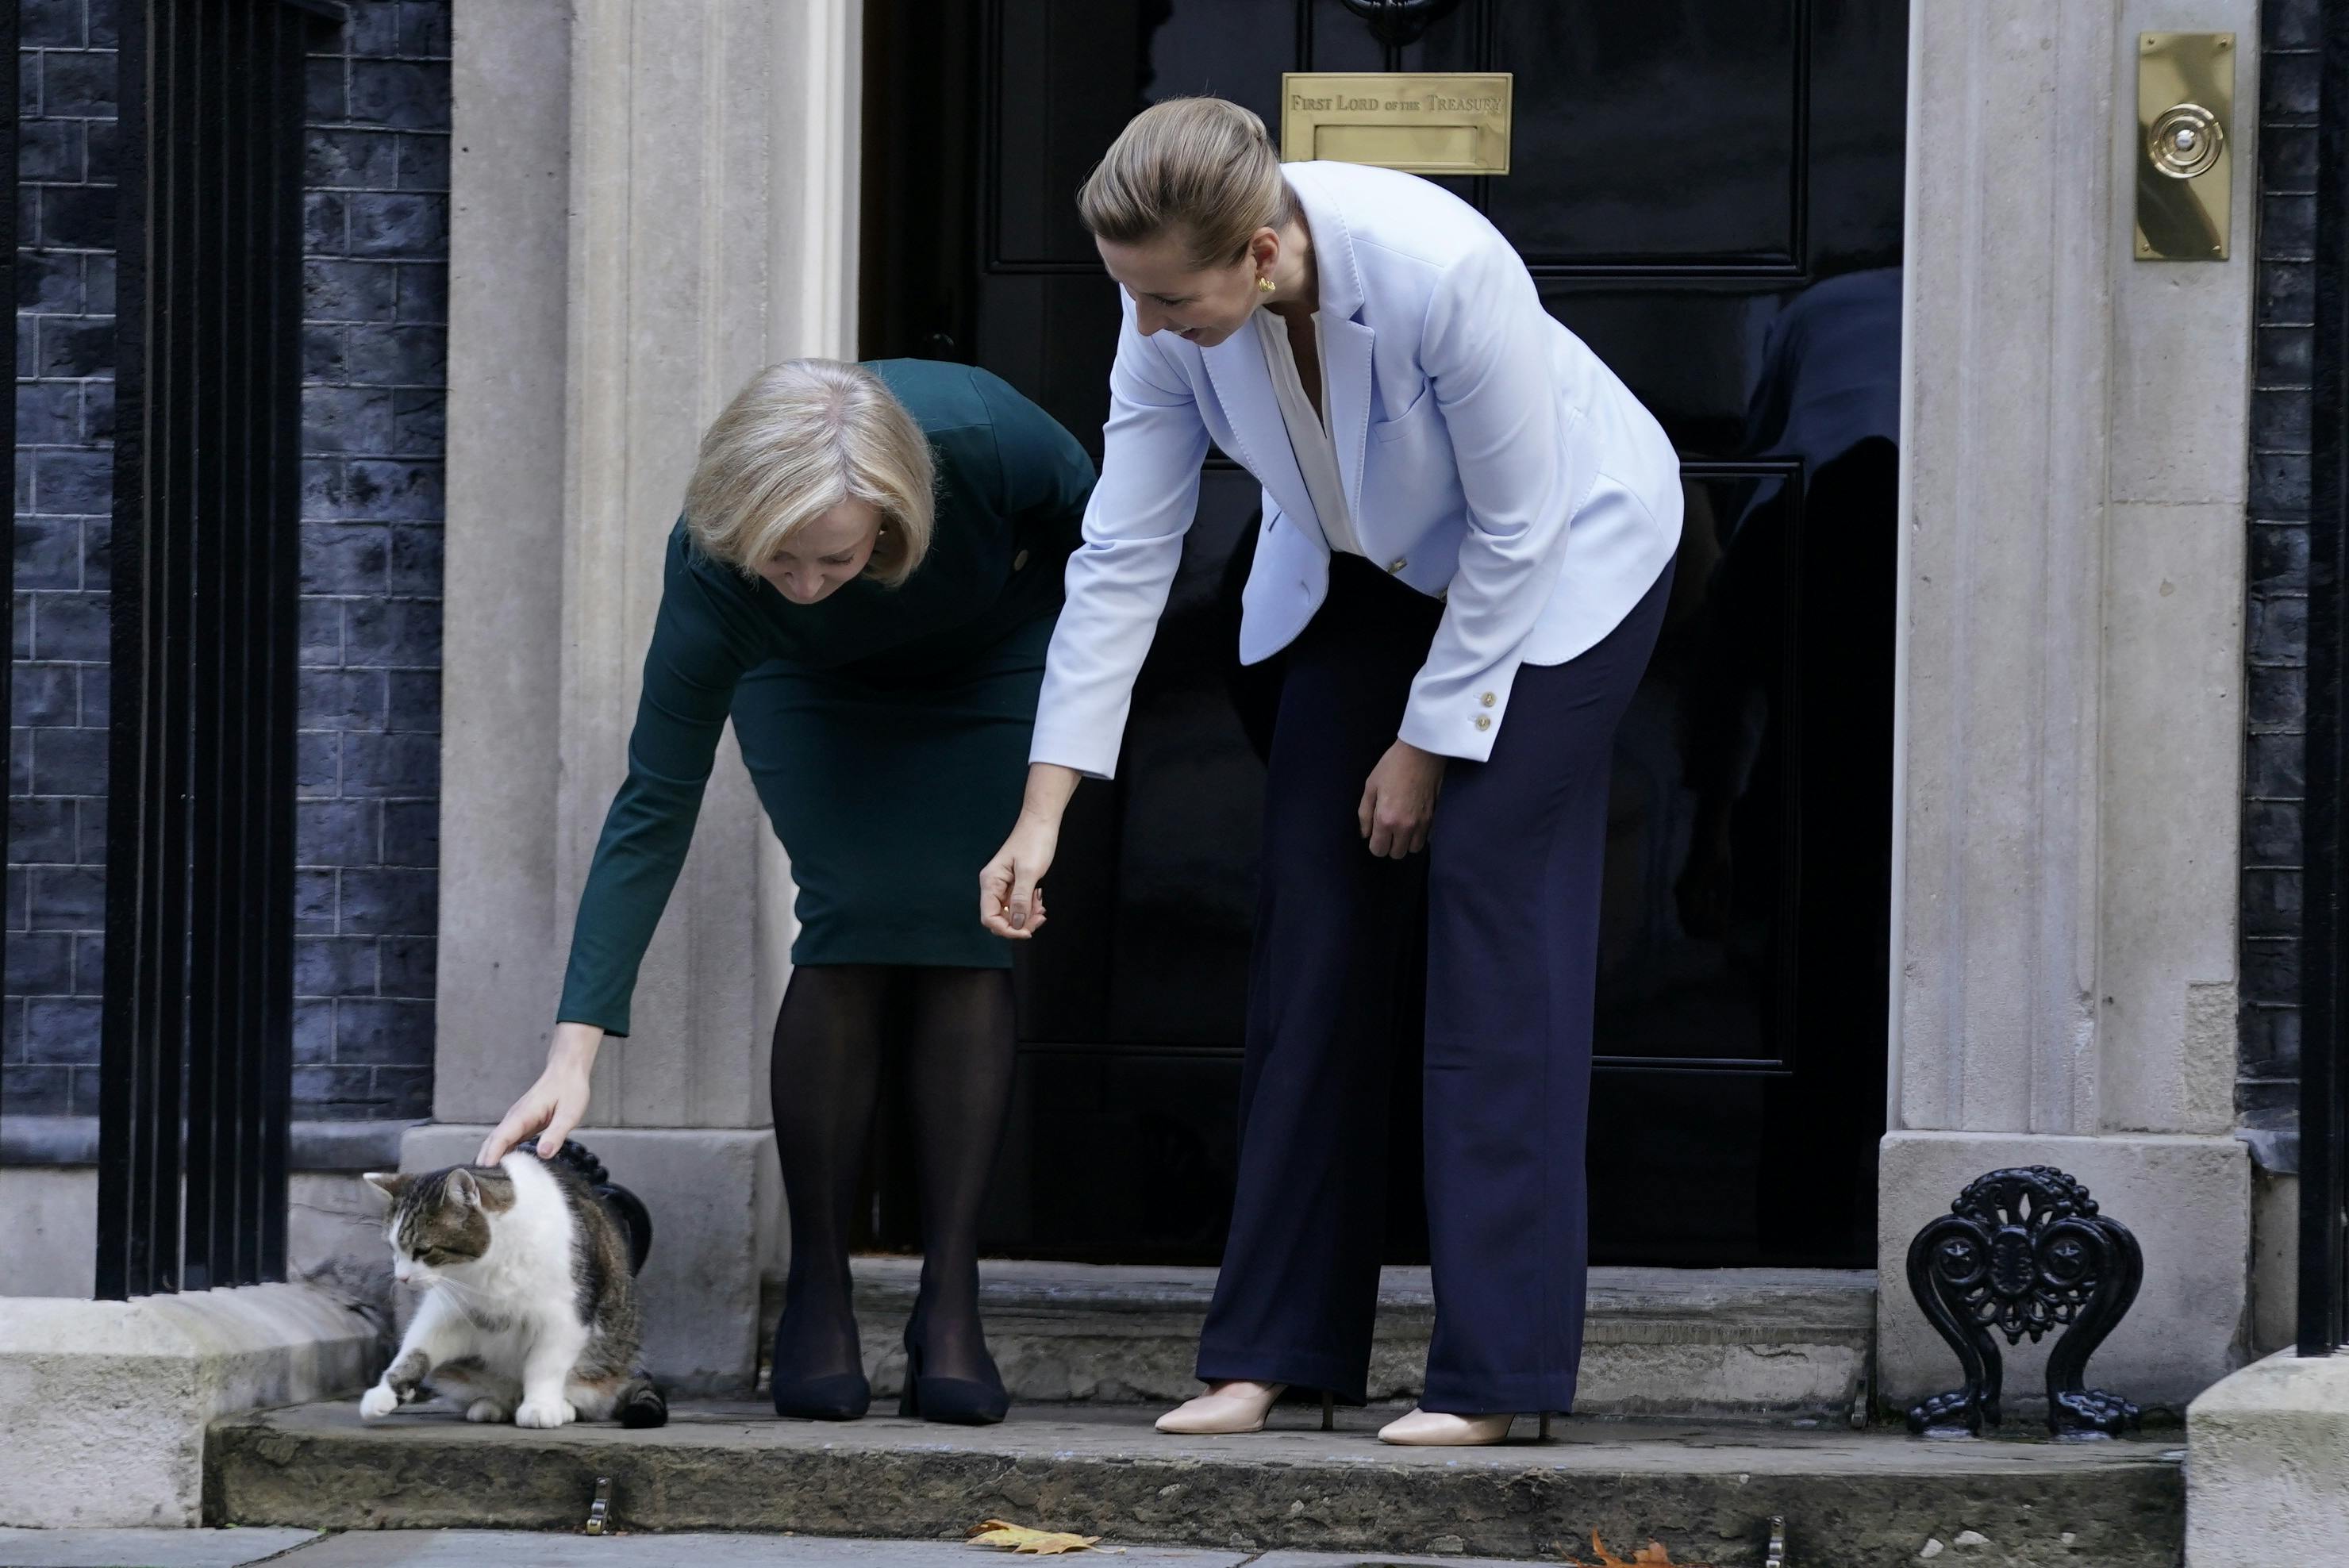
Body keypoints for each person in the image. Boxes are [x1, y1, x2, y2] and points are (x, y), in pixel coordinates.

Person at [979, 99, 1682, 1446]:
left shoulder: (1443, 268)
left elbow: (1519, 528)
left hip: (1559, 564)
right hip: (1360, 568)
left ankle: (1496, 1373)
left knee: (1486, 894)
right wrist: (1045, 811)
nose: (1145, 327)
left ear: (1260, 250)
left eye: (1171, 298)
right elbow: (1123, 554)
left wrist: (1424, 743)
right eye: (1128, 295)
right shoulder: (1164, 319)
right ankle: (1274, 1353)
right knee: (1312, 911)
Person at [481, 358, 1094, 1427]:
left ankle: (951, 1292)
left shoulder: (986, 441)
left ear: (895, 516)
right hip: (807, 689)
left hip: (993, 650)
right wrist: (571, 1053)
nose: (807, 580)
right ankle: (820, 1282)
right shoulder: (717, 575)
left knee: (962, 913)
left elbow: (1116, 534)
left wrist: (1067, 684)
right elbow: (653, 803)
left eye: (836, 556)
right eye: (782, 559)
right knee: (855, 909)